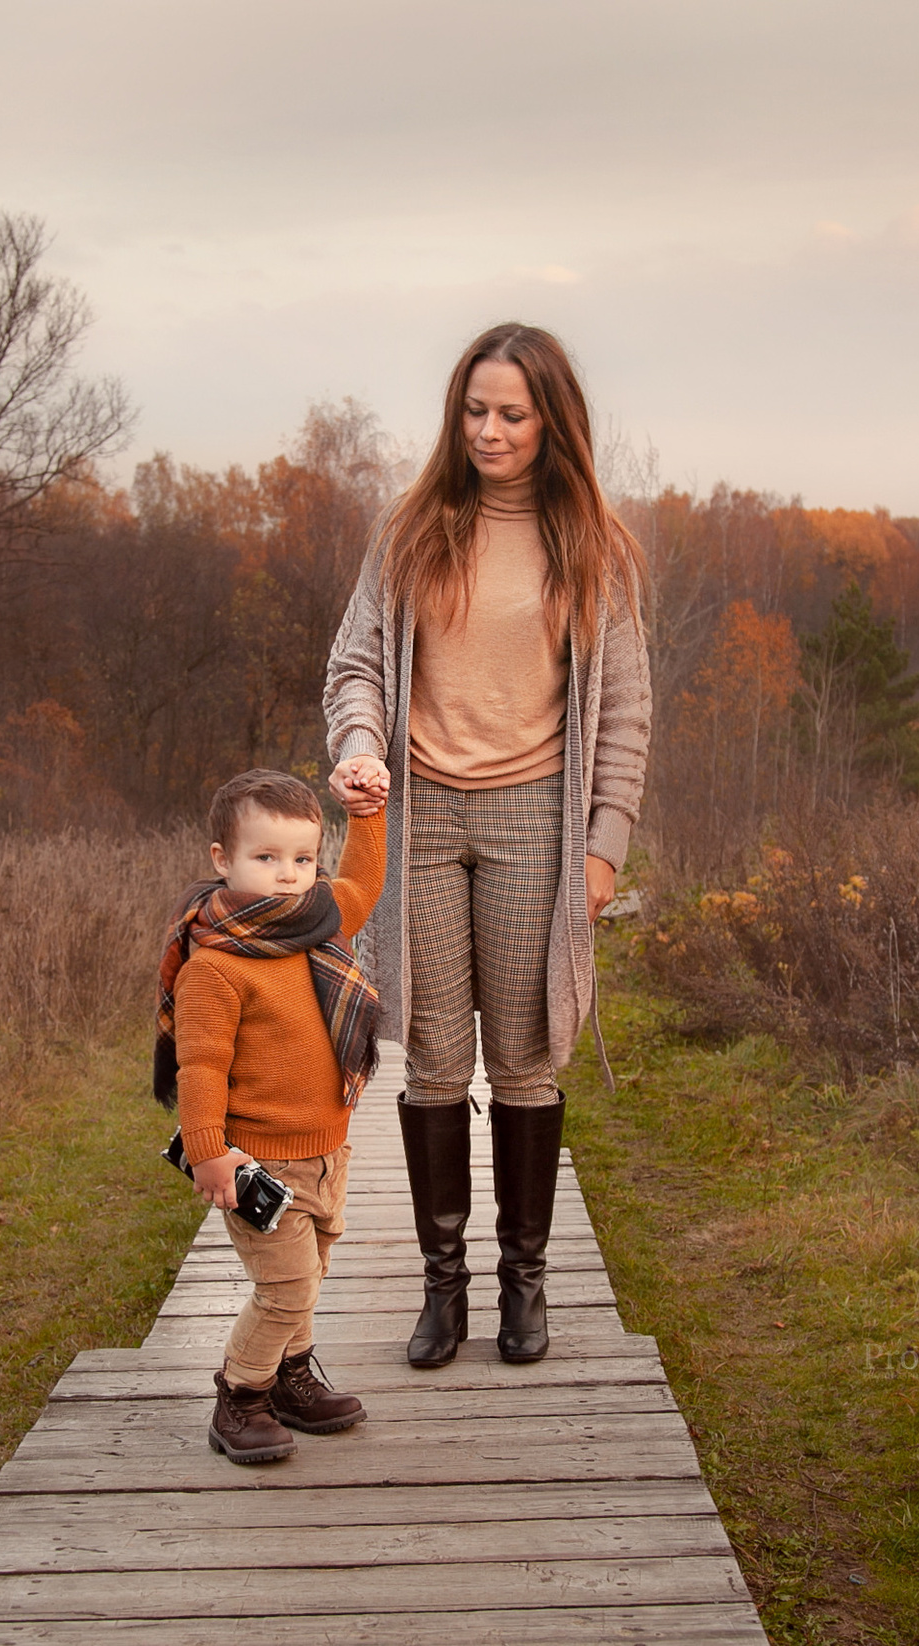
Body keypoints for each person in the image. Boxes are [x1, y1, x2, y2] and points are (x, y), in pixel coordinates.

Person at [322, 321, 652, 1369]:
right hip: (418, 818)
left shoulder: (591, 544)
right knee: (429, 1059)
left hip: (531, 820)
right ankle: (442, 1290)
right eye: (475, 410)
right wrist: (362, 746)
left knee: (522, 1059)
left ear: (551, 421)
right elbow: (356, 664)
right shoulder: (412, 527)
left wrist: (604, 847)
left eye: (512, 413)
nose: (490, 430)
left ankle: (524, 1284)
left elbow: (627, 713)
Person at [155, 766, 390, 1464]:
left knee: (307, 1276)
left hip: (327, 1149)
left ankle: (291, 1378)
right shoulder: (216, 967)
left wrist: (368, 811)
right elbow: (201, 1067)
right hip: (260, 1160)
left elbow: (365, 884)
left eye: (302, 859)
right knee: (283, 1288)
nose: (289, 875)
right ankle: (241, 1394)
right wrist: (207, 1151)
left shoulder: (314, 918)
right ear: (222, 861)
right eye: (266, 858)